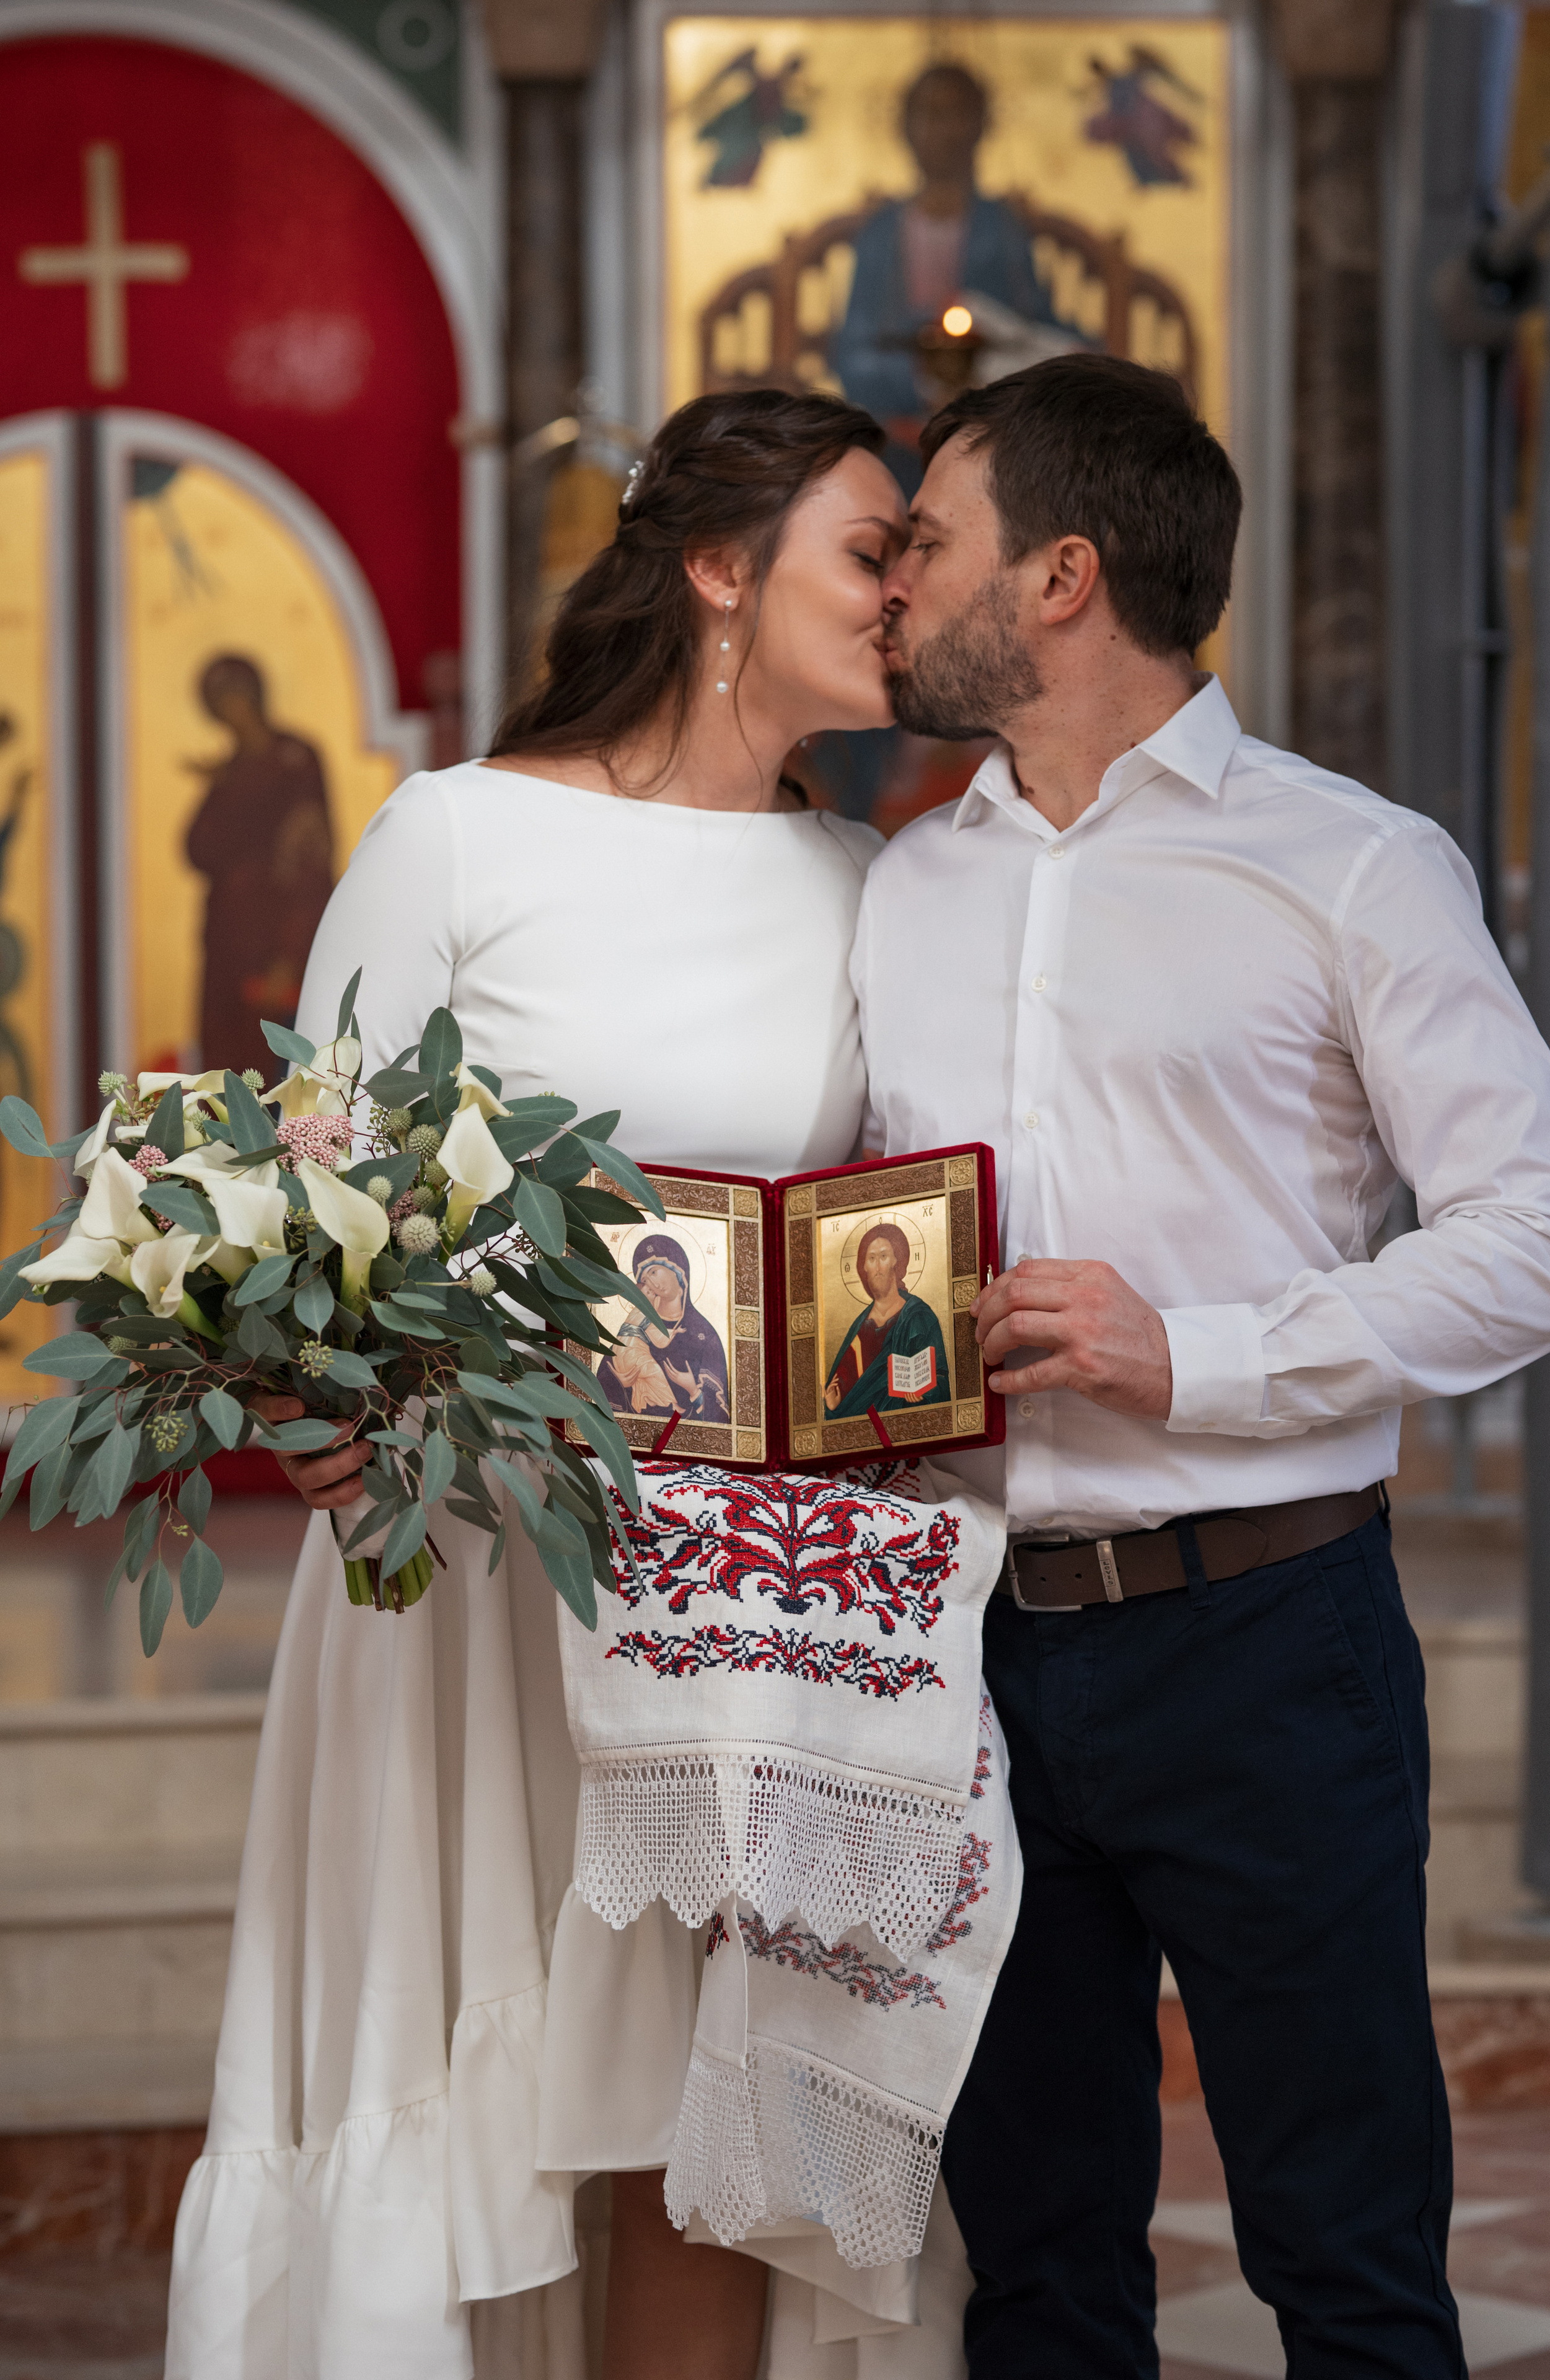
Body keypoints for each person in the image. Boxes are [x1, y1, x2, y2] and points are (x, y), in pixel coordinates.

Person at [167, 390, 980, 2380]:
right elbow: (308, 1194)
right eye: (868, 549)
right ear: (719, 569)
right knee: (480, 2075)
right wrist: (338, 1401)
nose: (904, 594)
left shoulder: (862, 877)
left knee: (692, 2114)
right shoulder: (460, 831)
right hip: (472, 1580)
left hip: (732, 1593)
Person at [852, 352, 1550, 2376]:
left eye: (931, 539)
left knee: (1347, 2270)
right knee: (1042, 2275)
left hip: (1269, 1647)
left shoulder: (1352, 865)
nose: (893, 586)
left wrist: (1200, 1356)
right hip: (972, 1654)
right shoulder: (905, 886)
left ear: (1067, 572)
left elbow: (1544, 1239)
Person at [833, 63, 1076, 496]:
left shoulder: (1001, 228)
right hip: (900, 428)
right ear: (906, 128)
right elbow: (855, 349)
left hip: (988, 425)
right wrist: (920, 380)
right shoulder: (881, 234)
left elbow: (1029, 327)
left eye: (957, 114)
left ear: (981, 125)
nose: (944, 131)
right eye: (929, 114)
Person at [184, 653, 335, 1080]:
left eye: (235, 698)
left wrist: (290, 955)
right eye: (219, 703)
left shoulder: (295, 761)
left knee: (277, 1079)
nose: (230, 711)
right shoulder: (230, 771)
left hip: (276, 946)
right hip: (228, 947)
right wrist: (217, 789)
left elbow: (312, 867)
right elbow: (197, 850)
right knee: (224, 1080)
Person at [823, 1219, 949, 1417]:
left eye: (884, 1256)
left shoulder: (919, 1317)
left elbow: (942, 1380)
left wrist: (925, 1392)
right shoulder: (859, 1328)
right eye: (871, 1258)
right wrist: (833, 1405)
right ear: (863, 1267)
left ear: (896, 1261)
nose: (878, 1266)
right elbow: (844, 1390)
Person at [599, 1232, 731, 1422]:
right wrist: (619, 1383)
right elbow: (603, 1380)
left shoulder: (704, 1335)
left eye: (653, 1272)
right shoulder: (636, 1327)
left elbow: (722, 1417)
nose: (652, 1283)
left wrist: (693, 1390)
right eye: (644, 1281)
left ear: (678, 1269)